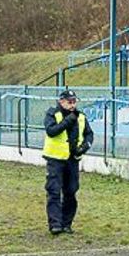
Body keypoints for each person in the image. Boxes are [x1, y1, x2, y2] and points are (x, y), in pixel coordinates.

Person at [42, 89, 93, 234]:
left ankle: (66, 223)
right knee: (54, 191)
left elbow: (89, 134)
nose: (72, 105)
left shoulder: (81, 116)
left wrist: (84, 147)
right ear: (61, 101)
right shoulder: (53, 114)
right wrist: (67, 121)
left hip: (72, 160)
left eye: (74, 102)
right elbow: (51, 131)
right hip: (56, 159)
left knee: (71, 191)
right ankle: (55, 224)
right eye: (69, 102)